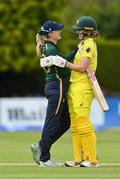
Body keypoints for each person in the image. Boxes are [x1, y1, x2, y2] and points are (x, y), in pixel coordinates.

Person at [42, 16, 100, 167]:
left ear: (87, 31)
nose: (77, 32)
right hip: (74, 86)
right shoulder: (81, 44)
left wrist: (65, 63)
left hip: (83, 87)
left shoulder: (89, 44)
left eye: (80, 30)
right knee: (74, 124)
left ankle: (92, 159)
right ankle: (78, 159)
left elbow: (82, 67)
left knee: (83, 122)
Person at [31, 20, 77, 167]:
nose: (60, 32)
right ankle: (44, 158)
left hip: (54, 87)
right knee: (52, 122)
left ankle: (41, 145)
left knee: (65, 121)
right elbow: (63, 69)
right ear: (51, 34)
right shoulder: (50, 49)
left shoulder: (50, 47)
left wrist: (77, 50)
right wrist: (75, 66)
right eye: (57, 30)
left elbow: (63, 61)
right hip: (57, 87)